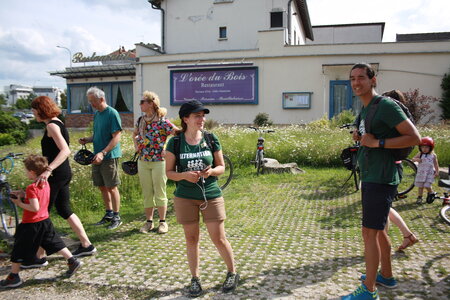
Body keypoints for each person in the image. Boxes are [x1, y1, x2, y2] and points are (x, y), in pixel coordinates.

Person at [342, 63, 421, 300]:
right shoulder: (367, 109)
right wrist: (362, 137)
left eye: (361, 78)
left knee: (369, 233)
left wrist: (378, 143)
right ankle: (385, 274)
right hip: (373, 175)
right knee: (378, 231)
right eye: (352, 78)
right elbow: (372, 135)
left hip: (381, 178)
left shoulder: (384, 105)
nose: (356, 82)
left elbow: (414, 137)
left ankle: (369, 290)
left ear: (373, 80)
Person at [165, 100, 239, 297]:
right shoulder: (175, 142)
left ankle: (232, 272)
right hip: (185, 197)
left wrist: (211, 171)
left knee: (218, 237)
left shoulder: (211, 138)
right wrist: (184, 176)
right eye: (197, 116)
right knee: (191, 239)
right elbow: (169, 173)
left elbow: (222, 167)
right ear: (185, 119)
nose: (202, 119)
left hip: (211, 194)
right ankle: (195, 279)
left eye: (203, 115)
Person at [1, 155, 82, 289]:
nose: (25, 172)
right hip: (44, 220)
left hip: (31, 224)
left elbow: (34, 207)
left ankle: (13, 277)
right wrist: (23, 194)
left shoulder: (31, 187)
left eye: (25, 170)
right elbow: (38, 199)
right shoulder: (45, 183)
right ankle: (72, 261)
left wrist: (19, 202)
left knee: (18, 248)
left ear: (32, 172)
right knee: (55, 242)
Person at [31, 96, 96, 259]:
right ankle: (86, 245)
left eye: (34, 110)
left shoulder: (52, 126)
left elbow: (65, 150)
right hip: (62, 173)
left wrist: (48, 170)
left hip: (56, 175)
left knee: (41, 212)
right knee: (64, 209)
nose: (33, 114)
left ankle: (39, 256)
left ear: (41, 109)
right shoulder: (56, 123)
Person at [133, 91, 177, 234]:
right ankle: (149, 222)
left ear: (151, 103)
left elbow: (177, 133)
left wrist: (168, 147)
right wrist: (136, 146)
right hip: (143, 161)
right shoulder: (141, 120)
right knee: (147, 192)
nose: (140, 104)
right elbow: (134, 134)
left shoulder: (162, 121)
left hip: (159, 161)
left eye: (142, 102)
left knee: (160, 191)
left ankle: (163, 222)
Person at [79, 87, 123, 229]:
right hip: (96, 156)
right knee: (102, 187)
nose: (91, 104)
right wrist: (87, 139)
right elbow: (98, 135)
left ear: (102, 99)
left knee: (112, 187)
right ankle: (108, 214)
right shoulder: (97, 114)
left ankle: (117, 216)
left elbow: (116, 137)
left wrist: (103, 153)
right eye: (90, 101)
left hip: (109, 156)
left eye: (93, 101)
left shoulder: (112, 113)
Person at [381, 90, 419, 252]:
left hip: (388, 168)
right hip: (393, 166)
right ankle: (404, 236)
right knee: (384, 207)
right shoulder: (402, 121)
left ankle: (385, 243)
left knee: (382, 207)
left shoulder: (395, 121)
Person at [412, 136, 439, 204]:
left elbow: (436, 164)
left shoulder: (433, 155)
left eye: (426, 147)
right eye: (422, 147)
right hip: (421, 173)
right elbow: (413, 159)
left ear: (431, 148)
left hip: (429, 173)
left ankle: (431, 192)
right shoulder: (420, 154)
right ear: (420, 147)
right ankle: (419, 197)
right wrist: (417, 159)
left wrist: (437, 171)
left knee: (427, 185)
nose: (424, 149)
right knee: (420, 186)